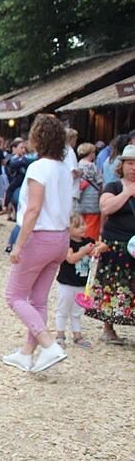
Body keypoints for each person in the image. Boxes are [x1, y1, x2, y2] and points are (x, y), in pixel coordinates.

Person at [2, 114, 73, 373]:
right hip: (60, 238)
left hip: (40, 236)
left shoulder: (38, 167)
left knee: (14, 295)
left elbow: (33, 209)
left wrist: (18, 244)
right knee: (38, 299)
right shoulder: (64, 169)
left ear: (36, 137)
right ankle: (26, 353)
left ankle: (47, 343)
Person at [87, 143, 135, 343]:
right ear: (122, 165)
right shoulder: (113, 186)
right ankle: (108, 328)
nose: (133, 168)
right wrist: (127, 193)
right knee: (110, 286)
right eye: (130, 163)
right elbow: (106, 208)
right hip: (115, 243)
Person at [54, 214, 97, 349]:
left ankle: (77, 336)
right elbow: (70, 259)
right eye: (77, 226)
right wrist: (84, 251)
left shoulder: (88, 241)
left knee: (77, 311)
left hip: (81, 284)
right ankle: (60, 335)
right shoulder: (67, 243)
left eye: (83, 224)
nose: (82, 228)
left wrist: (96, 249)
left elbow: (100, 246)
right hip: (66, 282)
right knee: (63, 309)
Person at [76, 142, 102, 240]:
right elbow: (100, 181)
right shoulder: (92, 166)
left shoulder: (78, 164)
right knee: (92, 224)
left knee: (81, 223)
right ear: (90, 153)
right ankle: (90, 245)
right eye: (93, 153)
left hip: (80, 199)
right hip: (92, 200)